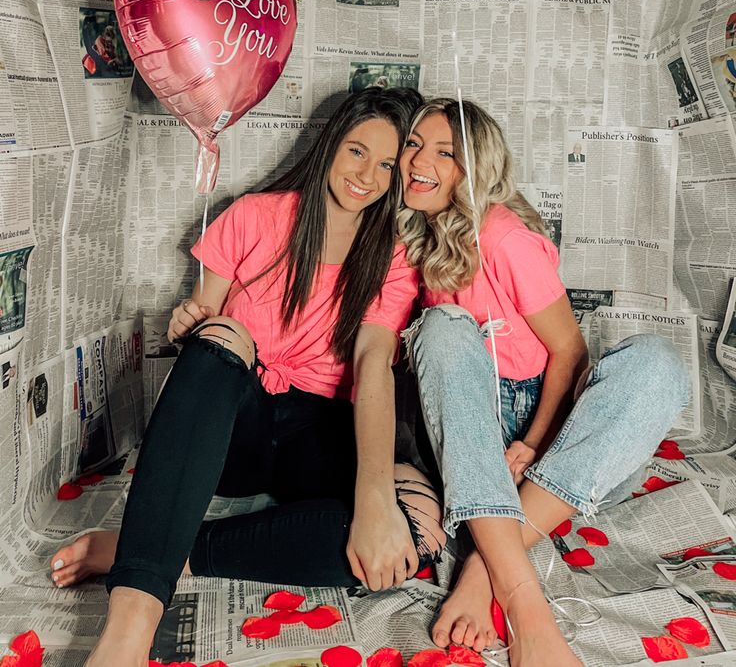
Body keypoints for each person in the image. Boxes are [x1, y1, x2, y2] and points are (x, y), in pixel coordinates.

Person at [50, 88, 446, 667]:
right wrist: (193, 323)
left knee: (411, 537)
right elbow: (204, 328)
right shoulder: (256, 215)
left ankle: (155, 549)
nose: (368, 175)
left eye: (387, 164)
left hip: (320, 429)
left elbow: (371, 366)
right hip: (239, 426)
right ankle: (131, 620)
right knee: (227, 336)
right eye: (358, 151)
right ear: (331, 142)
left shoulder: (393, 256)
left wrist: (375, 501)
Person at [398, 98, 690, 664]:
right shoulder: (412, 237)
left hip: (554, 444)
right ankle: (521, 589)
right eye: (414, 144)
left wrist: (536, 444)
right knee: (441, 326)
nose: (419, 161)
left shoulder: (504, 238)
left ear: (475, 168)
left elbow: (570, 351)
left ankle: (488, 570)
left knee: (657, 363)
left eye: (445, 153)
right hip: (465, 443)